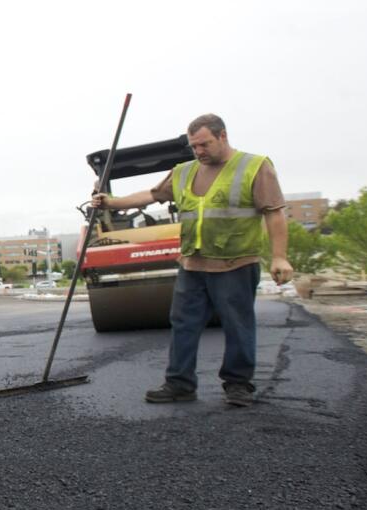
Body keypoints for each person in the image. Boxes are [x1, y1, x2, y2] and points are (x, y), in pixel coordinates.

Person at [91, 114, 293, 408]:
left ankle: (238, 385)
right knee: (183, 323)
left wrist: (280, 257)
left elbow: (274, 212)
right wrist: (111, 202)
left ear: (222, 136)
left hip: (235, 262)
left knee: (237, 324)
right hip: (192, 264)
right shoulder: (184, 171)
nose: (199, 151)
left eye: (204, 144)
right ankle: (179, 384)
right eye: (194, 146)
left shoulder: (254, 167)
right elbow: (150, 195)